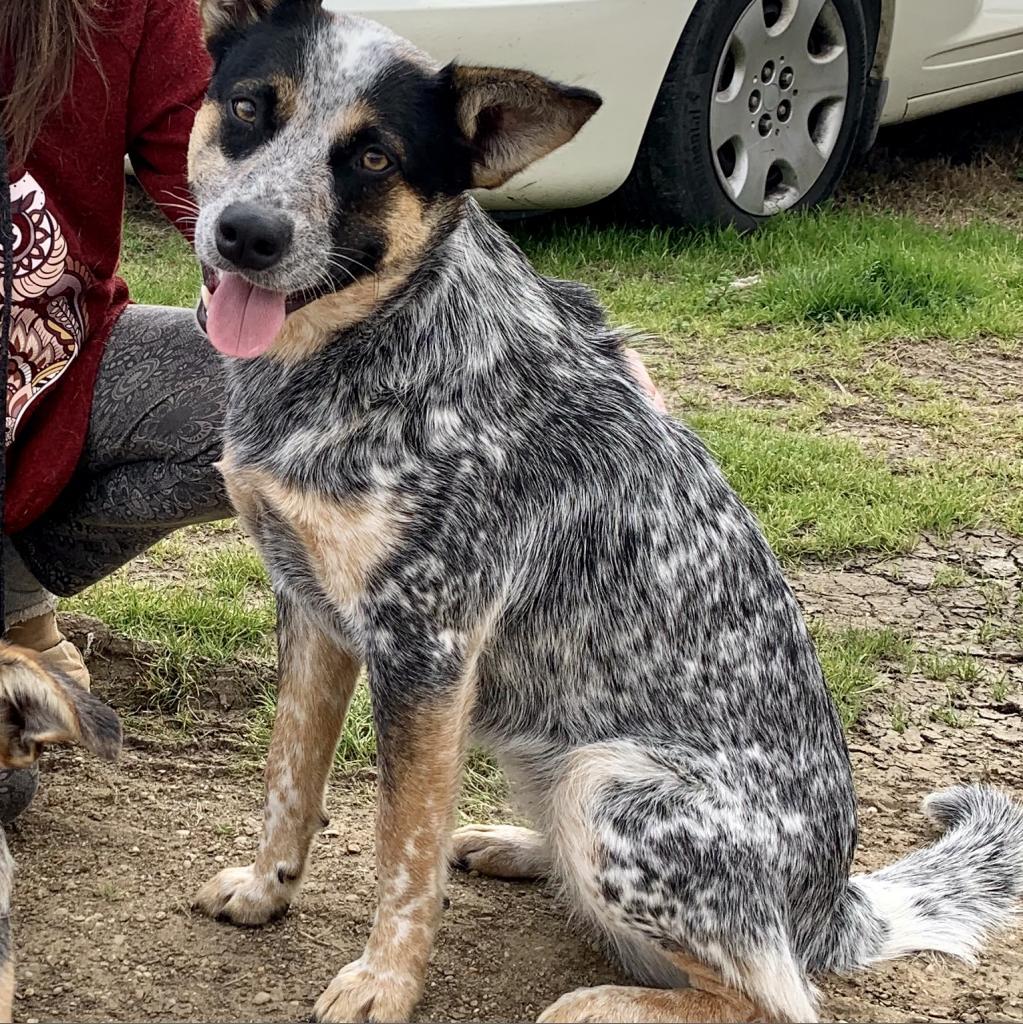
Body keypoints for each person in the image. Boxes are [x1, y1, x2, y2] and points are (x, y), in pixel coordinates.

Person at [1, 0, 231, 820]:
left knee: (289, 408)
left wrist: (522, 340)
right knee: (8, 781)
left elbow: (213, 165)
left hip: (50, 372)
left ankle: (13, 596)